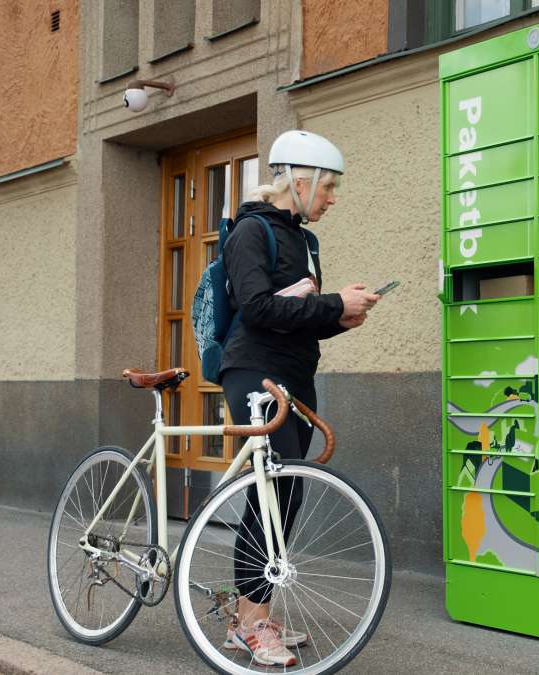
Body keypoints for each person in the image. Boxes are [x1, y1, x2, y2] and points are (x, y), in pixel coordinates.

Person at [218, 130, 380, 666]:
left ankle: (250, 613)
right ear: (299, 179)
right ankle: (249, 624)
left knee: (286, 495)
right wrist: (332, 303)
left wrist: (341, 318)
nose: (332, 198)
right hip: (251, 370)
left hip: (295, 375)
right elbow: (260, 308)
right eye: (328, 186)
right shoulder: (251, 231)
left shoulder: (307, 242)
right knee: (271, 494)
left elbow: (301, 321)